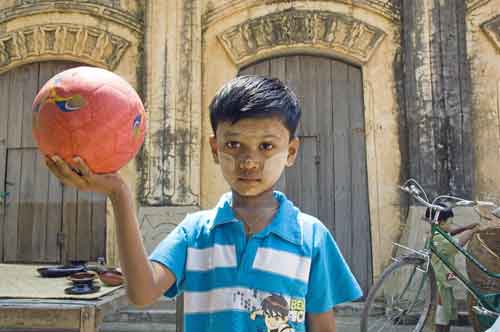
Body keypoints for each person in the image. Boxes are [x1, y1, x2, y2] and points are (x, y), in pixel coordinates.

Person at [44, 75, 362, 331]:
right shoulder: (195, 233)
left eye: (266, 146)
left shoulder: (312, 238)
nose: (249, 162)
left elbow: (322, 326)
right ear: (214, 148)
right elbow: (141, 293)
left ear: (291, 152)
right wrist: (119, 193)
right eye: (233, 144)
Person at [425, 204, 480, 332]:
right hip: (440, 281)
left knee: (447, 309)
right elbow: (456, 244)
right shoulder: (437, 238)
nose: (452, 225)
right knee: (442, 310)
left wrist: (466, 227)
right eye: (450, 222)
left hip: (446, 278)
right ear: (441, 222)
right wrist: (471, 232)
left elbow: (450, 232)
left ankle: (445, 329)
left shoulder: (439, 231)